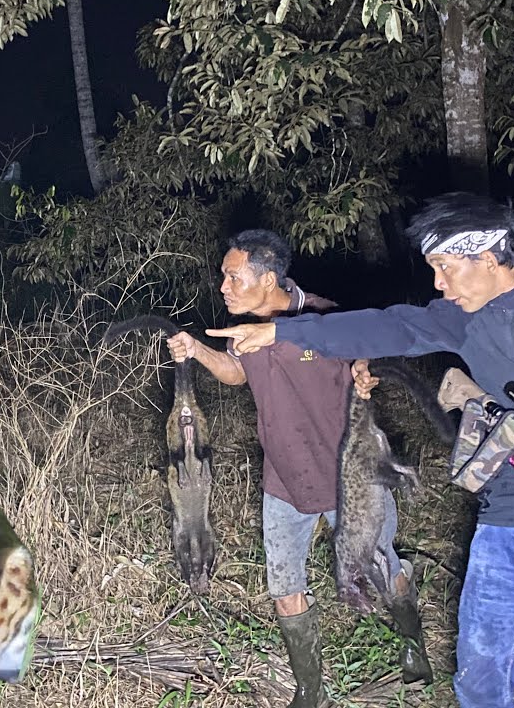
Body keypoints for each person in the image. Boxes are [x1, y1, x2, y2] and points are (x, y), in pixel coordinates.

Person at [210, 193, 514, 708]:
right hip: (502, 523)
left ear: (489, 255)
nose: (439, 284)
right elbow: (390, 324)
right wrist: (280, 329)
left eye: (445, 267)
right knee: (479, 684)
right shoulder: (462, 317)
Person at [167, 229, 433, 708]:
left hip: (348, 477)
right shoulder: (245, 328)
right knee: (285, 587)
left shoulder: (326, 318)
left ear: (268, 278)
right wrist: (196, 350)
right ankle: (310, 690)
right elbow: (235, 373)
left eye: (232, 277)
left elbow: (362, 364)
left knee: (383, 570)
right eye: (223, 278)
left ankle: (412, 641)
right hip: (284, 480)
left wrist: (364, 375)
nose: (223, 287)